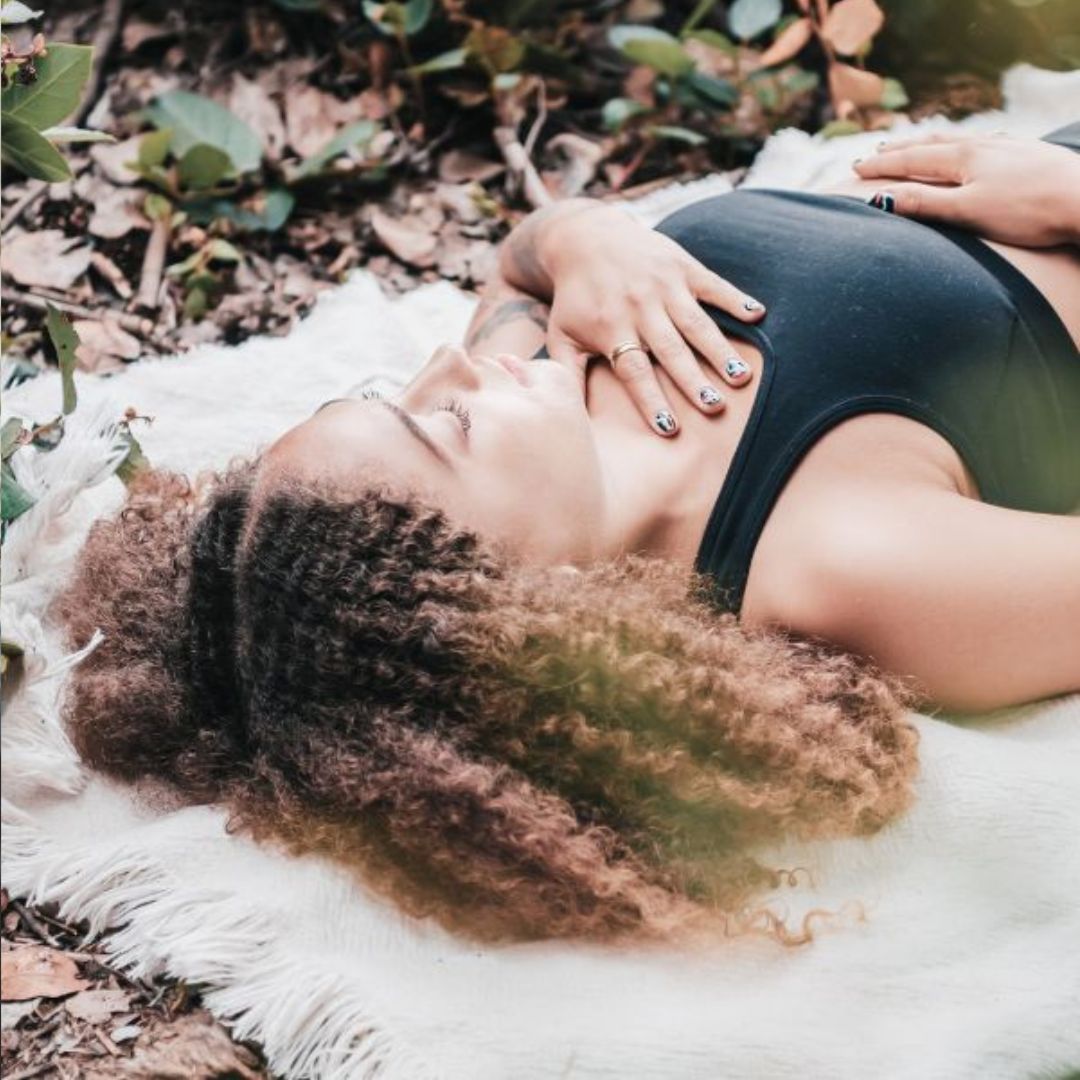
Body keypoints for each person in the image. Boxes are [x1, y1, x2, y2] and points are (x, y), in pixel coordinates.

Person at [59, 128, 1080, 943]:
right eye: (443, 422)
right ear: (509, 603)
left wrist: (586, 238)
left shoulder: (553, 370)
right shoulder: (841, 562)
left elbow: (515, 265)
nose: (450, 368)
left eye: (393, 389)